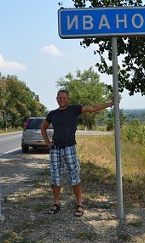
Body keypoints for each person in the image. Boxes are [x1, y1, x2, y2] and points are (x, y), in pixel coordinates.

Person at [41, 89, 114, 217]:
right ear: (56, 98)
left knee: (74, 177)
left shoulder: (74, 109)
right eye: (60, 97)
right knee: (55, 178)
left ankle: (79, 204)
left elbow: (93, 108)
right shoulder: (52, 114)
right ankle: (56, 203)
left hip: (69, 148)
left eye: (64, 97)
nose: (62, 99)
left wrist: (110, 103)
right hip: (55, 150)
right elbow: (43, 127)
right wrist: (47, 142)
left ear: (68, 99)